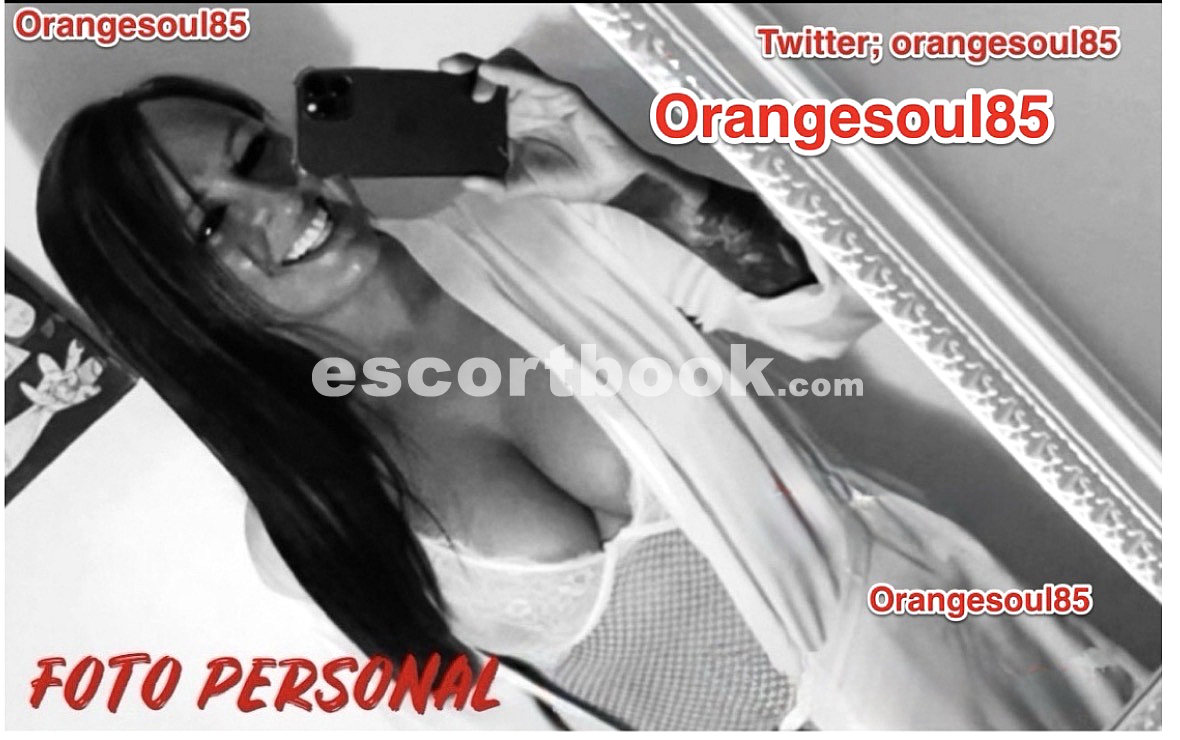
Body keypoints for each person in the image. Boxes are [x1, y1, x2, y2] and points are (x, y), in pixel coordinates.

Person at [35, 49, 1143, 730]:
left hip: (949, 673)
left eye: (258, 154)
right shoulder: (303, 528)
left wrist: (638, 183)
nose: (282, 202)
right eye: (213, 225)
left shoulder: (542, 228)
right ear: (172, 298)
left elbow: (835, 306)